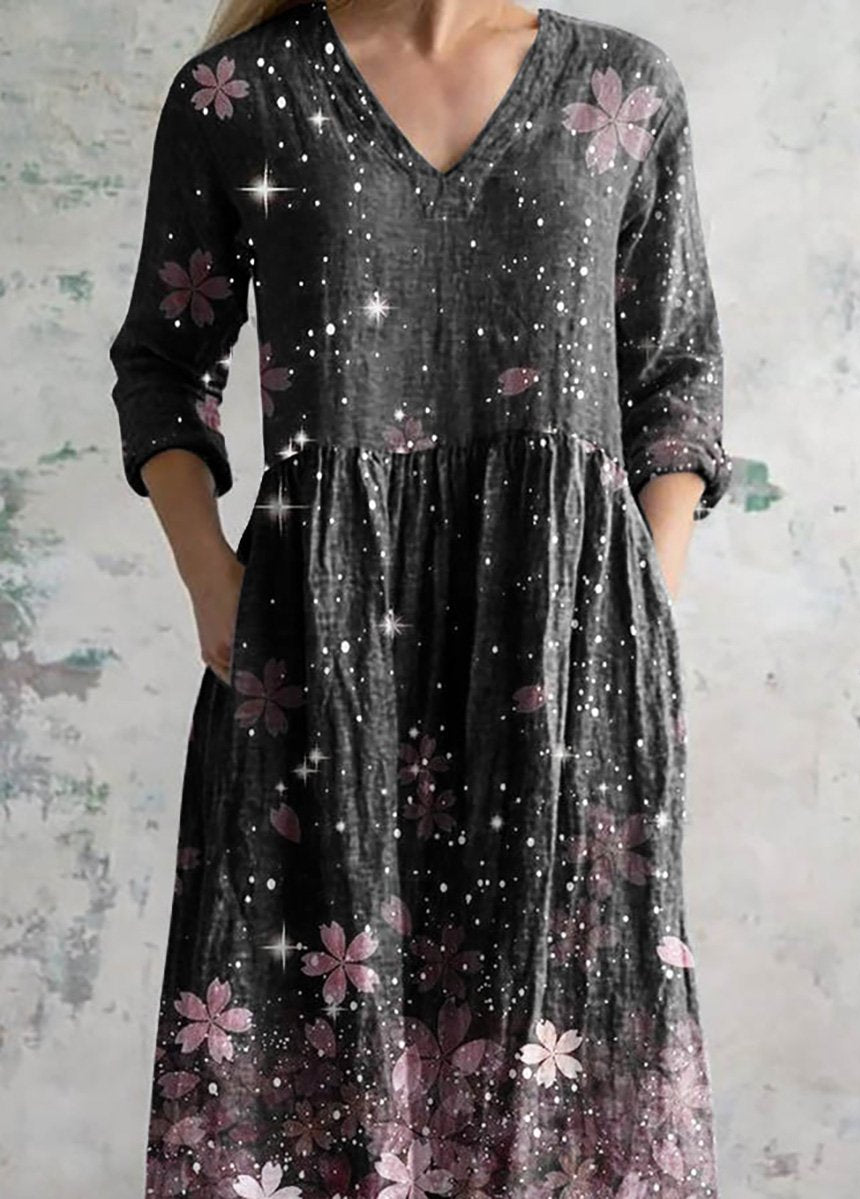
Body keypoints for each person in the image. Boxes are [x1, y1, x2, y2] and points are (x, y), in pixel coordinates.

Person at [108, 1, 732, 1195]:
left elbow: (676, 375)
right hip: (320, 635)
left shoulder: (625, 89)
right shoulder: (245, 93)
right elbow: (164, 364)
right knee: (319, 1014)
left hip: (567, 641)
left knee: (555, 1034)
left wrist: (641, 595)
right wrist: (208, 578)